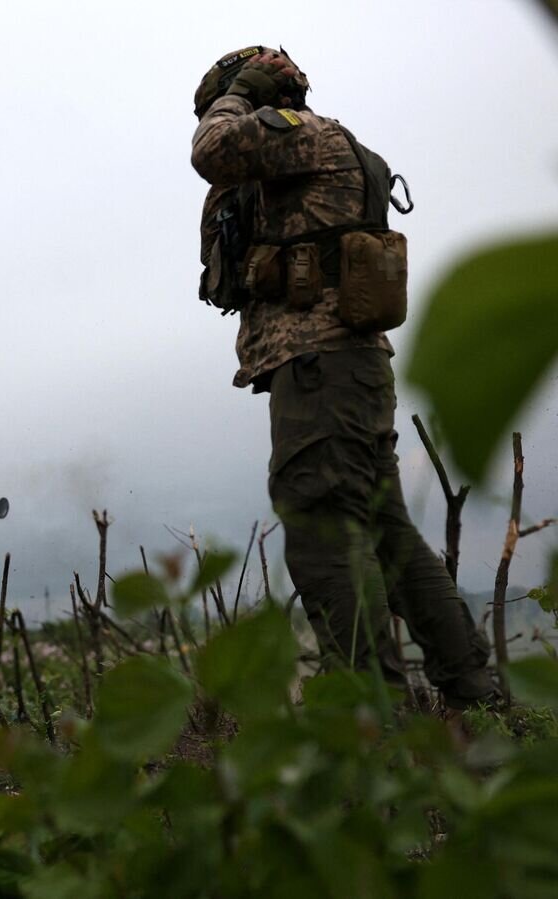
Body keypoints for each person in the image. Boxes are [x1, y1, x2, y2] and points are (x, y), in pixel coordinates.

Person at [190, 46, 495, 710]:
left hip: (321, 365)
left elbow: (213, 149)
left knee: (320, 521)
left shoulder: (302, 136)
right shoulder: (319, 147)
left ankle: (368, 717)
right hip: (343, 369)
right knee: (383, 528)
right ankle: (474, 692)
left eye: (234, 95)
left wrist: (235, 97)